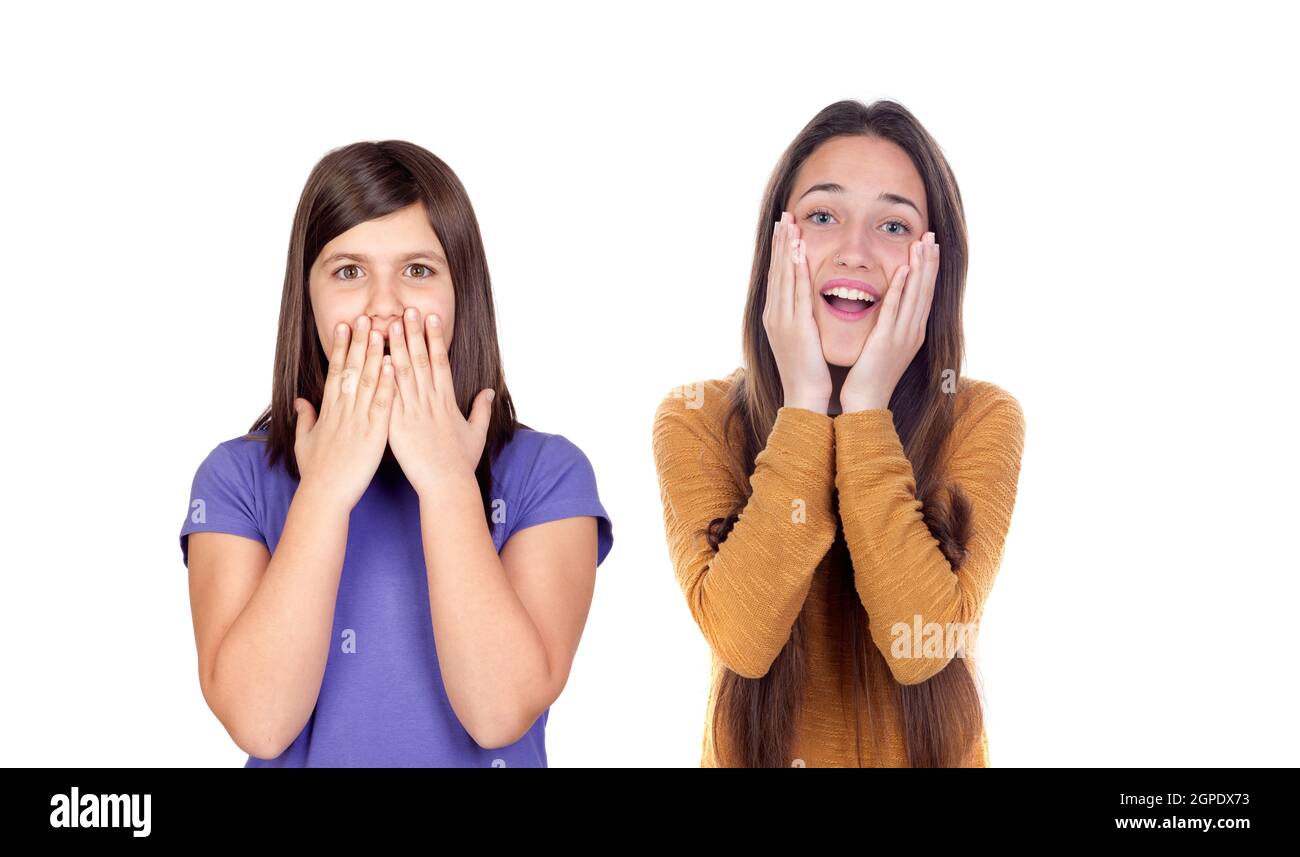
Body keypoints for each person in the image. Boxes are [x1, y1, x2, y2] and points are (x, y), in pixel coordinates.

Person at [180, 140, 613, 767]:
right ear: (308, 297)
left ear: (462, 291)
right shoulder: (236, 479)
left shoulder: (548, 474)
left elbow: (498, 714)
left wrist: (445, 483)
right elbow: (261, 722)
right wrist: (325, 490)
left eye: (417, 270)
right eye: (349, 272)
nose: (384, 306)